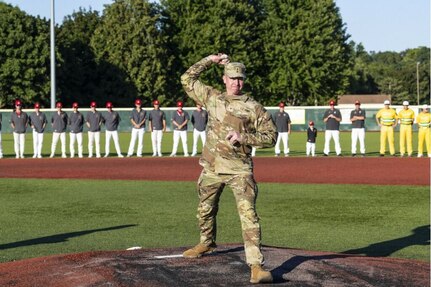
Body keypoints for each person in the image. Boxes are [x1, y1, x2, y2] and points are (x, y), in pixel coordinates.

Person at [181, 53, 276, 284]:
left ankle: (256, 266)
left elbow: (271, 137)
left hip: (239, 170)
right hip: (212, 168)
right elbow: (187, 79)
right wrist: (209, 60)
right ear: (224, 78)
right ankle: (206, 242)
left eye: (240, 79)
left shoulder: (254, 107)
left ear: (244, 80)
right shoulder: (212, 98)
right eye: (232, 78)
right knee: (205, 209)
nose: (236, 82)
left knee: (248, 216)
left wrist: (243, 136)